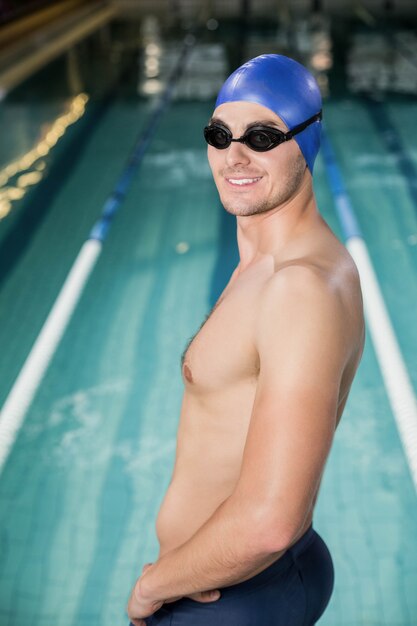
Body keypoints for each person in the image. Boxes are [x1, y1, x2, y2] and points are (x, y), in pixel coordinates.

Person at [127, 53, 365, 626]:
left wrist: (151, 587)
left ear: (307, 142)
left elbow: (269, 522)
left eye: (261, 136)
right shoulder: (269, 262)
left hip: (234, 597)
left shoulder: (297, 289)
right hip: (236, 585)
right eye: (219, 134)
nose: (233, 156)